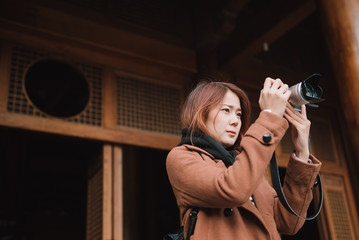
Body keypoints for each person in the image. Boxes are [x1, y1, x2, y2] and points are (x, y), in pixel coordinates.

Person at [166, 75, 322, 240]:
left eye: (239, 114)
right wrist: (269, 117)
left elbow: (289, 222)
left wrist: (302, 151)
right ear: (201, 112)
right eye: (226, 110)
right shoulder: (182, 157)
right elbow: (233, 189)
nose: (235, 121)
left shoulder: (243, 162)